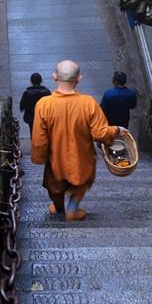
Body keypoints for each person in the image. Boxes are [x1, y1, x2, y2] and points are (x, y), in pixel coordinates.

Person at [31, 60, 123, 222]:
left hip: (55, 159)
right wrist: (116, 130)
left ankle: (59, 209)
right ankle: (72, 208)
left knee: (55, 187)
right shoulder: (89, 103)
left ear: (54, 77)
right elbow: (100, 133)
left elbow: (39, 138)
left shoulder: (44, 104)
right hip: (81, 158)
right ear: (79, 79)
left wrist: (39, 157)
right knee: (80, 184)